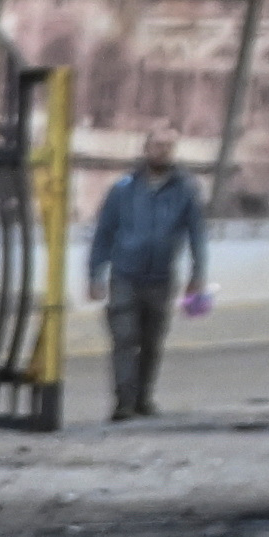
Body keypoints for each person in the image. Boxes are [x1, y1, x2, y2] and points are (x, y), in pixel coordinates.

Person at [88, 132, 210, 422]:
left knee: (152, 342)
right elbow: (104, 232)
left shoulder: (185, 190)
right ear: (146, 149)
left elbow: (196, 234)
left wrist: (197, 274)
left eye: (168, 146)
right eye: (157, 145)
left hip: (161, 278)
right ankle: (123, 402)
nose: (162, 151)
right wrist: (95, 273)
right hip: (124, 277)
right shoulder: (123, 189)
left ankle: (143, 398)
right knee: (123, 339)